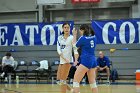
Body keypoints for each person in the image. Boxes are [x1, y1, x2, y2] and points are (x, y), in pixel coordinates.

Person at [72, 24, 98, 93]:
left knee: (76, 81)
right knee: (93, 83)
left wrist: (74, 35)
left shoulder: (83, 38)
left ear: (82, 30)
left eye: (80, 31)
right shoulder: (94, 37)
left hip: (86, 61)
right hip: (93, 61)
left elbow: (75, 46)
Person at [57, 22, 79, 93]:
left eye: (68, 27)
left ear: (70, 29)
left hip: (68, 61)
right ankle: (72, 90)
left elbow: (75, 49)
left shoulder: (71, 38)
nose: (66, 29)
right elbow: (58, 49)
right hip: (62, 60)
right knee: (58, 80)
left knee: (63, 80)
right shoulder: (59, 38)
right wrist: (63, 58)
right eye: (65, 27)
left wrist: (76, 60)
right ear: (63, 28)